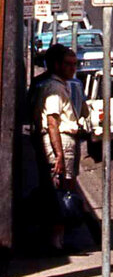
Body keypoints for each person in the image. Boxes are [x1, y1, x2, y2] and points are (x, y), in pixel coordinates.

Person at [33, 45, 83, 251]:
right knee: (60, 191)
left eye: (75, 64)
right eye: (68, 64)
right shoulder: (54, 89)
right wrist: (59, 156)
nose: (73, 68)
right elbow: (52, 122)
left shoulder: (61, 85)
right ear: (56, 65)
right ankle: (56, 242)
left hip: (63, 141)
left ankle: (59, 239)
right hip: (60, 141)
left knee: (62, 190)